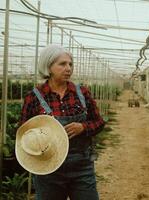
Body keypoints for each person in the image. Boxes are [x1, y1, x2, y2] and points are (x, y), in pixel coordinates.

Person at [19, 44, 105, 200]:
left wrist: (83, 127)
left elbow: (99, 122)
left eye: (70, 64)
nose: (68, 68)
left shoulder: (81, 93)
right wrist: (39, 141)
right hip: (48, 168)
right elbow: (23, 133)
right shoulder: (34, 97)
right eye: (62, 64)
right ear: (49, 67)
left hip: (81, 166)